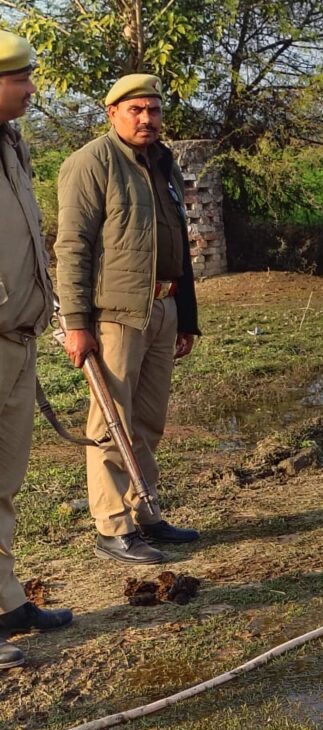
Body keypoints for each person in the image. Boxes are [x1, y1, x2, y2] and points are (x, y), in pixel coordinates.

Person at [55, 74, 201, 565]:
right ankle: (111, 525)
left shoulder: (164, 163)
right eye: (135, 109)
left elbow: (177, 242)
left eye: (153, 110)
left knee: (148, 420)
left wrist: (187, 318)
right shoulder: (90, 163)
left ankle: (145, 512)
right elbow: (72, 246)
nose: (146, 119)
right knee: (111, 423)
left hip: (163, 305)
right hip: (114, 315)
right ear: (111, 111)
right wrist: (77, 322)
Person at [0, 30, 74, 669]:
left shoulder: (11, 143)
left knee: (4, 482)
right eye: (19, 78)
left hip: (16, 342)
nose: (30, 88)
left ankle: (5, 602)